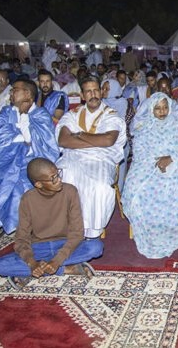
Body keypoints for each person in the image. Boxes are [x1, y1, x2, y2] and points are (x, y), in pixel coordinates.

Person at [0, 158, 103, 288]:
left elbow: (77, 233)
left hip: (64, 244)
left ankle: (33, 270)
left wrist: (57, 260)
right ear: (39, 184)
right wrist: (31, 262)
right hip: (39, 247)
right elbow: (21, 238)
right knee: (1, 266)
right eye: (53, 178)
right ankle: (67, 268)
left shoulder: (70, 191)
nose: (59, 180)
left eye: (58, 174)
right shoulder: (27, 199)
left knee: (96, 247)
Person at [121, 93, 178, 258]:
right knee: (138, 191)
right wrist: (156, 164)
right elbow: (140, 155)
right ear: (151, 110)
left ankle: (168, 232)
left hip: (176, 167)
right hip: (148, 168)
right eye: (157, 108)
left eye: (165, 107)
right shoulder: (144, 128)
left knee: (173, 189)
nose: (162, 112)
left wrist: (171, 158)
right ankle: (148, 233)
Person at [55, 76, 127, 238]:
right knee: (62, 176)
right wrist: (95, 141)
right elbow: (64, 140)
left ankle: (91, 232)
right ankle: (67, 227)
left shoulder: (111, 115)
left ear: (101, 92)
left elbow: (108, 140)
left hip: (101, 158)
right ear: (82, 95)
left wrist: (79, 135)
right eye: (88, 91)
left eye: (96, 90)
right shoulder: (72, 114)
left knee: (100, 186)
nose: (93, 95)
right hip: (73, 157)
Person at [0, 80, 60, 235]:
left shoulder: (40, 114)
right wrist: (23, 139)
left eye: (14, 90)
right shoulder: (6, 111)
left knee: (17, 186)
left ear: (27, 94)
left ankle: (16, 228)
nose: (10, 93)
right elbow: (1, 136)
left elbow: (45, 145)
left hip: (31, 162)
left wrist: (22, 128)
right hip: (6, 159)